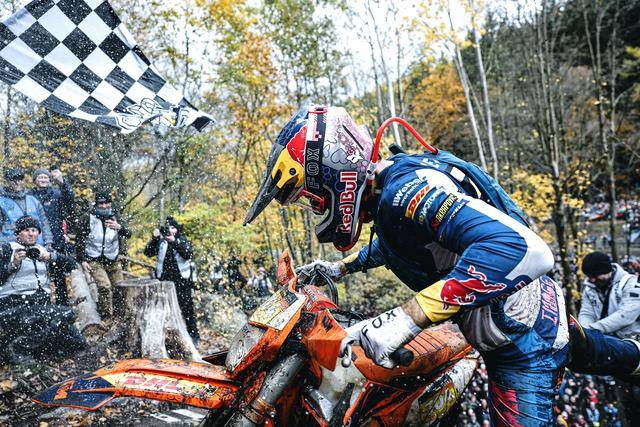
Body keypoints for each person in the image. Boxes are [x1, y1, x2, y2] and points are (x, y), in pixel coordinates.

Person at [244, 106, 640, 426]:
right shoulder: (392, 187)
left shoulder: (403, 193)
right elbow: (404, 245)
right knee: (591, 350)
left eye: (312, 199)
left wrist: (405, 319)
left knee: (568, 356)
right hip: (530, 311)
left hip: (520, 343)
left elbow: (527, 250)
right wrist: (341, 268)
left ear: (333, 174)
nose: (315, 209)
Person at [0, 216, 83, 361]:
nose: (31, 234)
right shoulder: (7, 249)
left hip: (41, 306)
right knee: (67, 314)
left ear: (39, 233)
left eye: (34, 230)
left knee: (78, 342)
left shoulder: (42, 250)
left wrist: (51, 257)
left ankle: (38, 349)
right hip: (13, 306)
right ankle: (19, 347)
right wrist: (12, 264)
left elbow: (72, 265)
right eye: (26, 230)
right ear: (18, 233)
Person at [578, 251, 640, 425]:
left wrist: (594, 330)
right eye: (590, 276)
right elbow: (586, 312)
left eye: (596, 275)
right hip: (612, 348)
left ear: (607, 270)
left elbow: (625, 315)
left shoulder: (631, 283)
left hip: (634, 344)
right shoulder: (589, 288)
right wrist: (584, 331)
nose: (593, 279)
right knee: (626, 401)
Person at [76, 191, 131, 320]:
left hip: (112, 258)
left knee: (119, 287)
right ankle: (106, 317)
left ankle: (119, 316)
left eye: (107, 203)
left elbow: (129, 233)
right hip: (94, 258)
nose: (104, 206)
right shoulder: (88, 218)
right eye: (101, 203)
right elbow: (79, 240)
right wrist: (82, 260)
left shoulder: (117, 216)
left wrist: (119, 227)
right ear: (96, 204)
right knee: (104, 286)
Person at [144, 216, 199, 343]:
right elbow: (147, 252)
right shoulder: (161, 243)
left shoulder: (181, 240)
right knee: (165, 310)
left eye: (173, 228)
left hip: (182, 283)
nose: (170, 230)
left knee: (187, 311)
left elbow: (188, 254)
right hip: (164, 282)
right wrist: (154, 238)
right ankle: (168, 338)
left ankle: (194, 337)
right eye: (168, 228)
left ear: (177, 230)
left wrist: (174, 241)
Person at [27, 167, 75, 305]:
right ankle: (42, 304)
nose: (43, 180)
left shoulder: (56, 194)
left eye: (45, 177)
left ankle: (63, 304)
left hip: (56, 239)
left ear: (50, 180)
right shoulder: (29, 195)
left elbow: (70, 200)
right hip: (35, 239)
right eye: (40, 177)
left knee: (59, 275)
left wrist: (62, 182)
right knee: (37, 273)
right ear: (35, 180)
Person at [0, 168, 53, 246]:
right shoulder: (1, 202)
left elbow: (44, 223)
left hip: (37, 245)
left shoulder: (33, 200)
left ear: (23, 181)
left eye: (20, 179)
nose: (17, 182)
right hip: (12, 245)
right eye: (13, 180)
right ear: (7, 182)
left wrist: (48, 241)